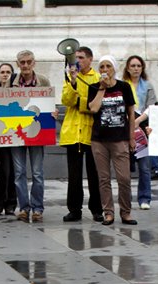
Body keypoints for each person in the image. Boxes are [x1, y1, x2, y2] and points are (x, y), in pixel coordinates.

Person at [87, 55, 136, 226]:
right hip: (99, 139)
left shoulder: (124, 87)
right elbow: (93, 108)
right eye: (102, 67)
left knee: (124, 178)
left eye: (108, 66)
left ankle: (126, 212)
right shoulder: (93, 87)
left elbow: (131, 113)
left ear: (114, 68)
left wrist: (131, 137)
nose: (105, 70)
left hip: (120, 138)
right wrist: (102, 88)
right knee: (103, 178)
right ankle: (108, 212)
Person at [61, 46, 102, 222]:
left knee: (95, 174)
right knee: (74, 175)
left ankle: (97, 208)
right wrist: (74, 82)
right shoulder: (70, 78)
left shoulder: (98, 78)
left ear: (90, 59)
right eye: (76, 57)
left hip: (92, 132)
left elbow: (96, 105)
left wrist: (81, 103)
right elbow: (66, 100)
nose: (78, 60)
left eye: (81, 57)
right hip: (73, 132)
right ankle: (74, 209)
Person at [12, 50, 53, 223]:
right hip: (17, 132)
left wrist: (53, 112)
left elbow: (49, 103)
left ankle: (37, 208)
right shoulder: (10, 83)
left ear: (34, 63)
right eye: (23, 62)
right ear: (18, 64)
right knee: (19, 172)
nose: (26, 65)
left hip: (37, 132)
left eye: (29, 62)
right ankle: (23, 207)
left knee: (37, 172)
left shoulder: (43, 81)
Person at [123, 55, 156, 211]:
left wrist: (137, 121)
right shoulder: (123, 85)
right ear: (127, 68)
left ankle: (144, 197)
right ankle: (126, 198)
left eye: (138, 66)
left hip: (141, 127)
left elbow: (151, 106)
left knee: (144, 166)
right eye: (133, 66)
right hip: (124, 127)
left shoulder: (147, 86)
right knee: (124, 166)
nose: (136, 68)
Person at [0, 62, 18, 217]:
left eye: (8, 72)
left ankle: (10, 203)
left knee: (13, 171)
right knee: (4, 170)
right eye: (2, 72)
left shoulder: (17, 91)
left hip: (15, 136)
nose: (5, 74)